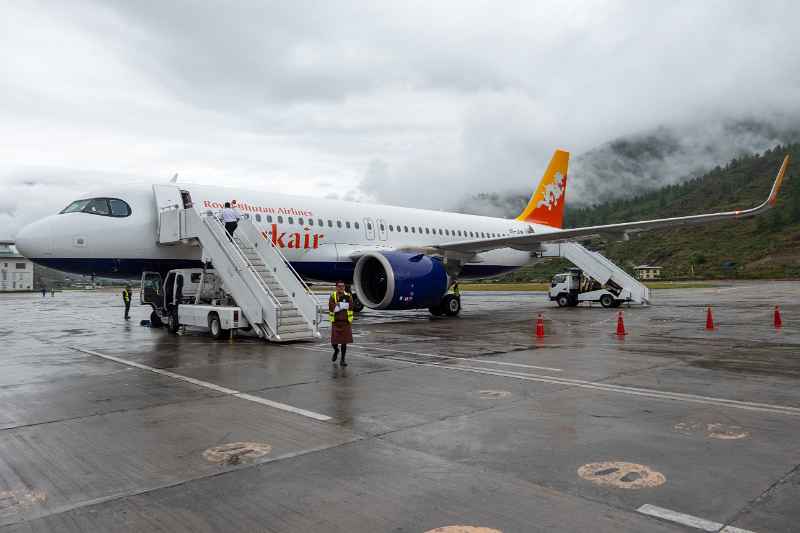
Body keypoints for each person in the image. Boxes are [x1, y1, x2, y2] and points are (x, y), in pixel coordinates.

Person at [329, 281, 354, 367]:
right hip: (336, 322)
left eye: (343, 286)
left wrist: (340, 305)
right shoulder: (333, 296)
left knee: (344, 342)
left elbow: (351, 306)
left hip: (345, 321)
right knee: (334, 342)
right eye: (339, 286)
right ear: (336, 287)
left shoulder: (349, 296)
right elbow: (332, 308)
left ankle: (342, 360)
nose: (341, 288)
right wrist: (340, 306)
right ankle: (336, 350)